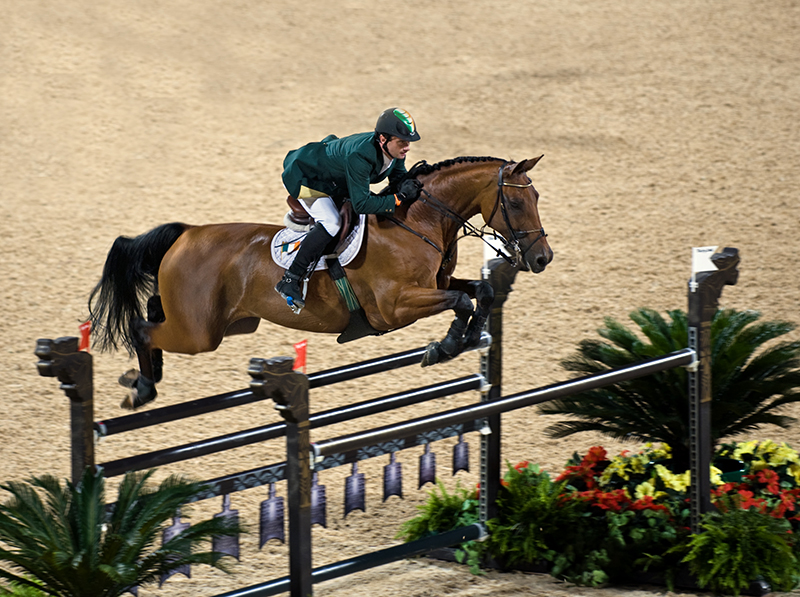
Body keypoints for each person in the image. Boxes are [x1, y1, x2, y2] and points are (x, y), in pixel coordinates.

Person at [275, 107, 424, 311]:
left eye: (408, 142)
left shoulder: (395, 151)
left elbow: (398, 178)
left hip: (336, 177)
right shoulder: (360, 156)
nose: (406, 147)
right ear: (383, 139)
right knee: (332, 222)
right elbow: (361, 204)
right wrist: (398, 199)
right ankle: (290, 279)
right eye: (402, 142)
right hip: (308, 178)